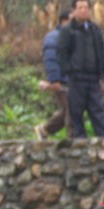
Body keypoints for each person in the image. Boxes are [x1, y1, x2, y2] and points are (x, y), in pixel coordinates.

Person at [55, 0, 104, 139]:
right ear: (73, 11)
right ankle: (79, 136)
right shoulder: (67, 31)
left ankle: (103, 135)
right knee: (76, 109)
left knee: (97, 107)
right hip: (76, 77)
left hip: (93, 77)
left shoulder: (94, 30)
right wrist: (68, 70)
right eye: (80, 8)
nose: (83, 11)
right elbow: (61, 53)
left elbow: (101, 50)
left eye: (86, 8)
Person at [35, 11, 70, 140]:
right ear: (64, 21)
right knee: (71, 110)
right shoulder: (53, 38)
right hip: (62, 80)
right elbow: (50, 60)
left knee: (69, 110)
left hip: (73, 79)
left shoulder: (73, 36)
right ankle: (73, 140)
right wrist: (54, 79)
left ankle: (45, 130)